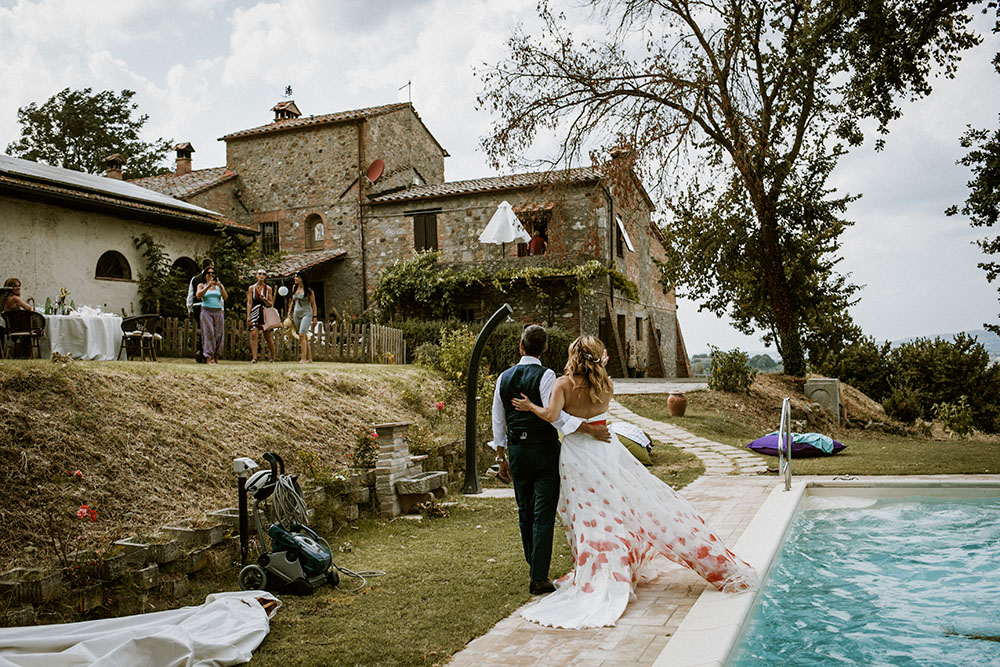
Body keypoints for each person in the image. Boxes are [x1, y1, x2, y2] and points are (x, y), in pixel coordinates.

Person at [511, 335, 758, 628]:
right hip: (607, 450)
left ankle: (598, 573)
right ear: (597, 358)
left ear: (572, 356)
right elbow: (597, 413)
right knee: (614, 510)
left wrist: (530, 407)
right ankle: (618, 568)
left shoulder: (563, 385)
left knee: (587, 516)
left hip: (576, 454)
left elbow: (552, 416)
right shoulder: (607, 385)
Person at [492, 325, 611, 596]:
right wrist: (588, 429)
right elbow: (555, 416)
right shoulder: (547, 376)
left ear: (521, 347)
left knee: (524, 508)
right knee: (542, 513)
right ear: (544, 349)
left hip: (517, 451)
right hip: (545, 450)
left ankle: (534, 563)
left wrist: (501, 456)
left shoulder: (503, 378)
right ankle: (538, 575)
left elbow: (498, 419)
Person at [195, 267, 227, 364]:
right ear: (205, 275)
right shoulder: (201, 285)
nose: (211, 275)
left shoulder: (218, 286)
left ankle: (216, 357)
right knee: (209, 334)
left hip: (218, 311)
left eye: (213, 273)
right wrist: (208, 286)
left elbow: (225, 297)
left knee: (219, 335)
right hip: (206, 311)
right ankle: (208, 357)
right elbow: (198, 296)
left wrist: (221, 287)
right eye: (208, 273)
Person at [187, 259, 214, 364]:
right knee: (206, 331)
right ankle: (203, 353)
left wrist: (189, 308)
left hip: (197, 306)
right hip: (204, 306)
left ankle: (202, 352)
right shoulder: (209, 279)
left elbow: (190, 295)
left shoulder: (195, 279)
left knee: (203, 330)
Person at [285, 272, 316, 363]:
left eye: (297, 277)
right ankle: (309, 359)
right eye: (294, 277)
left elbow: (314, 304)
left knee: (302, 334)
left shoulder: (309, 290)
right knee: (302, 336)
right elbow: (292, 302)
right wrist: (288, 313)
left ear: (302, 278)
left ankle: (303, 359)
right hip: (296, 314)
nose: (295, 279)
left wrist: (315, 317)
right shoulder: (294, 288)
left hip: (307, 313)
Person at [246, 269, 276, 363]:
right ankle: (254, 358)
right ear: (256, 276)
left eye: (264, 274)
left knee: (268, 336)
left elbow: (271, 303)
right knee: (253, 334)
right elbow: (249, 302)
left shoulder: (268, 289)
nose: (261, 275)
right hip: (255, 312)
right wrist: (248, 315)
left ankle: (273, 357)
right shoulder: (251, 288)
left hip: (265, 312)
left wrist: (265, 300)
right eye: (260, 274)